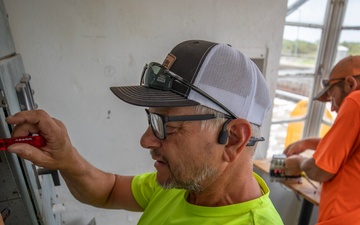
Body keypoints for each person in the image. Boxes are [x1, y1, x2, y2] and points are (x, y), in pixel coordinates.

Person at [6, 40, 283, 224]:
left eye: (167, 125)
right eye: (152, 120)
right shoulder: (185, 183)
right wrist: (64, 157)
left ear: (233, 139)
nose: (146, 140)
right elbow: (110, 191)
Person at [284, 55, 360, 224]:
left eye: (333, 99)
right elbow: (348, 148)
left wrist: (299, 163)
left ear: (350, 84)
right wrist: (307, 143)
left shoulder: (356, 101)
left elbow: (321, 170)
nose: (332, 109)